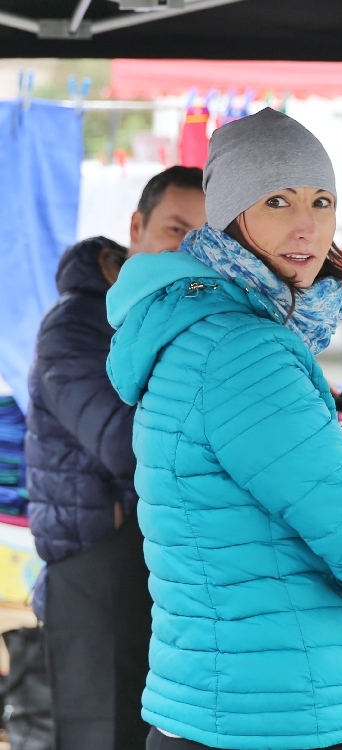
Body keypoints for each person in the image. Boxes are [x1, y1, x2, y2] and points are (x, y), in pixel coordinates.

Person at [104, 108, 342, 749]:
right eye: (278, 202)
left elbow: (261, 533)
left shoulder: (201, 329)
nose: (307, 226)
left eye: (323, 201)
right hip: (273, 722)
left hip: (225, 700)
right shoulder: (245, 351)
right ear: (231, 217)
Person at [25, 166, 207, 750]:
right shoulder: (76, 327)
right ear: (137, 227)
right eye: (176, 229)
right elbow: (124, 442)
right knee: (99, 731)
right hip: (94, 557)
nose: (187, 251)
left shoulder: (179, 318)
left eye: (204, 240)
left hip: (156, 560)